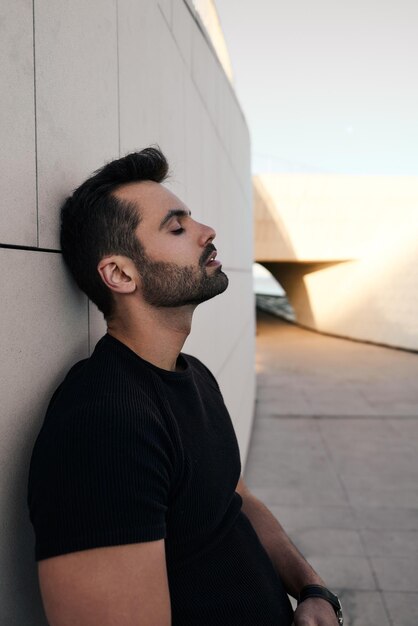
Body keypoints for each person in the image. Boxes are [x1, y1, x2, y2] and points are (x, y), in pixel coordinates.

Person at [28, 147, 343, 626]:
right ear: (119, 274)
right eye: (176, 227)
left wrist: (312, 588)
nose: (206, 231)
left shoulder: (192, 374)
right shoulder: (102, 425)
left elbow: (235, 497)